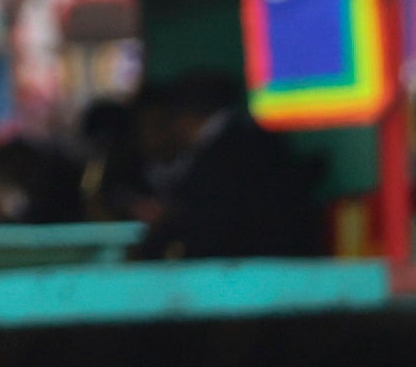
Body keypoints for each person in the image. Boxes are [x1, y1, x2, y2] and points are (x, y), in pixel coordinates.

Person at [136, 71, 331, 260]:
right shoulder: (256, 139)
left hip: (251, 272)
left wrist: (168, 218)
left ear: (185, 118)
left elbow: (213, 223)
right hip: (289, 264)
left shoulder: (218, 157)